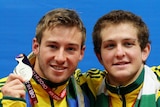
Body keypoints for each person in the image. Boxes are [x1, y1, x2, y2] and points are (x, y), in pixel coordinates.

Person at [0, 8, 90, 107]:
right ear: (36, 47)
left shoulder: (88, 89)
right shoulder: (4, 93)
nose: (60, 58)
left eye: (70, 49)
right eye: (53, 46)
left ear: (81, 53)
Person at [75, 10, 160, 107]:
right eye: (110, 46)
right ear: (99, 56)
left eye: (128, 44)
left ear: (144, 51)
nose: (119, 53)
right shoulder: (88, 86)